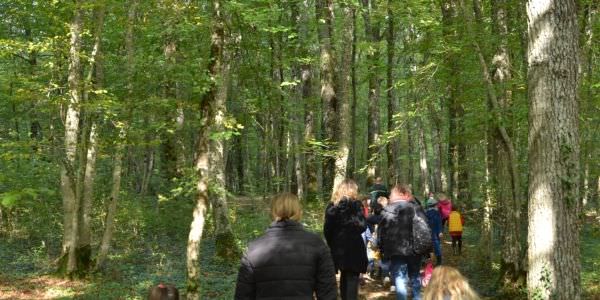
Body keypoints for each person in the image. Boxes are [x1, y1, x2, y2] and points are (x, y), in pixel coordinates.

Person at [235, 193, 337, 300]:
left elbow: (243, 295)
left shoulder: (254, 248)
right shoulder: (317, 244)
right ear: (298, 212)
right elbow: (328, 293)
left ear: (273, 212)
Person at [378, 184, 431, 300]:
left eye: (391, 194)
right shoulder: (416, 208)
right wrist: (427, 250)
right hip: (415, 249)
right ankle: (417, 297)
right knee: (415, 276)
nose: (389, 197)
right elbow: (426, 229)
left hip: (395, 251)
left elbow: (381, 233)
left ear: (400, 194)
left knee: (399, 278)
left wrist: (382, 249)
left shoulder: (387, 210)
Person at [324, 179, 368, 300]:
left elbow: (327, 229)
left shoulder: (332, 206)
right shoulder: (357, 205)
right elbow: (362, 226)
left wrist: (332, 242)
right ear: (353, 190)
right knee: (352, 278)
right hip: (354, 246)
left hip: (338, 246)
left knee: (344, 276)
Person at [424, 197, 443, 265]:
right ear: (435, 205)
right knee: (436, 247)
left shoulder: (425, 213)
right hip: (435, 232)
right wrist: (440, 231)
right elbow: (439, 222)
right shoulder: (436, 213)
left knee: (429, 248)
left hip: (428, 233)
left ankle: (429, 262)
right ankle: (438, 262)